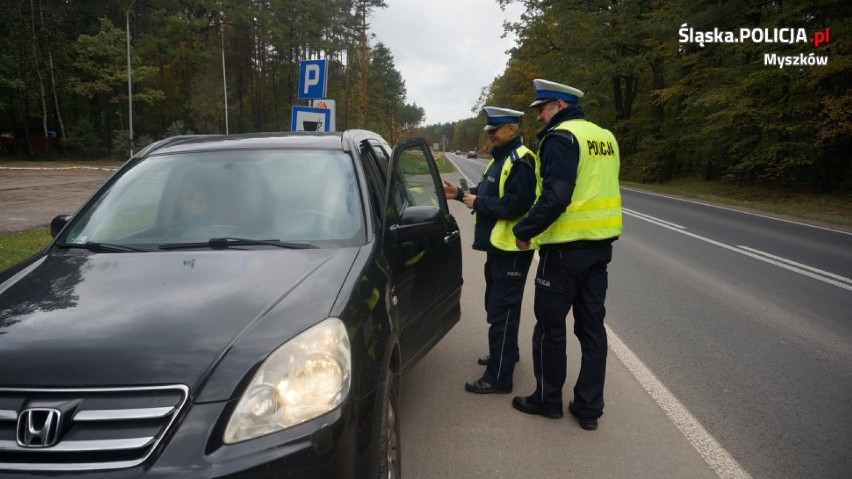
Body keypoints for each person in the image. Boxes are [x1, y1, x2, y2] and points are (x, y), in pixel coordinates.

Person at [510, 79, 622, 430]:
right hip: (599, 249)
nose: (539, 116)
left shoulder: (561, 138)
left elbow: (556, 196)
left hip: (564, 252)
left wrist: (524, 230)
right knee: (592, 330)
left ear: (558, 105)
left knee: (549, 326)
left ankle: (547, 399)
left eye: (542, 108)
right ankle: (589, 409)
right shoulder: (605, 137)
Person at [442, 106, 539, 394]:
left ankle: (499, 376)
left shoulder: (521, 161)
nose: (490, 137)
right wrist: (460, 194)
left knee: (502, 311)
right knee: (498, 307)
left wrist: (479, 204)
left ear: (511, 129)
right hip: (498, 249)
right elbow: (486, 193)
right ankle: (506, 355)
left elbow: (517, 204)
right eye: (489, 132)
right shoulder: (500, 160)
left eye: (494, 131)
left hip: (511, 250)